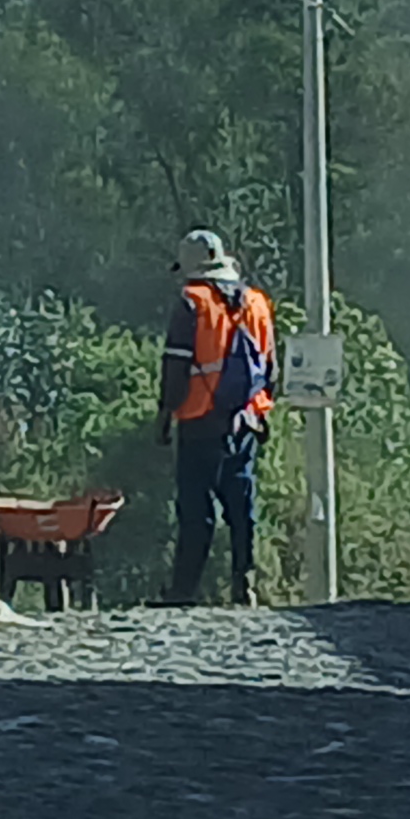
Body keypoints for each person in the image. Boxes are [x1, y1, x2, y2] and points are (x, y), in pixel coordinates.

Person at [159, 229, 276, 605]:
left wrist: (165, 414)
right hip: (246, 420)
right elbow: (270, 368)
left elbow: (176, 367)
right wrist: (260, 410)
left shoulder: (191, 302)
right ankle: (245, 582)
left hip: (199, 419)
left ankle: (183, 589)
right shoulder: (257, 303)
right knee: (241, 505)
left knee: (196, 507)